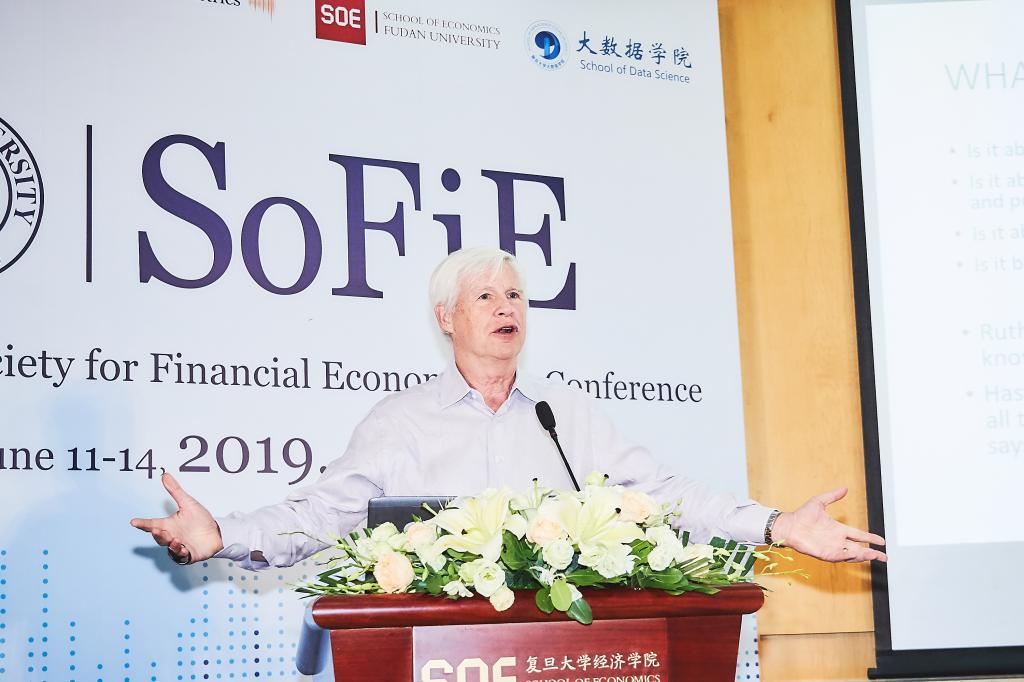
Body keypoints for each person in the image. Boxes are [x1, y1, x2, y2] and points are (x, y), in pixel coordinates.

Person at [131, 248, 886, 569]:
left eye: (517, 294)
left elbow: (659, 496)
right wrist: (223, 535)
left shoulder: (568, 418)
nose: (506, 307)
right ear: (446, 318)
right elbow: (324, 515)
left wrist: (778, 525)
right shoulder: (399, 424)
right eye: (486, 295)